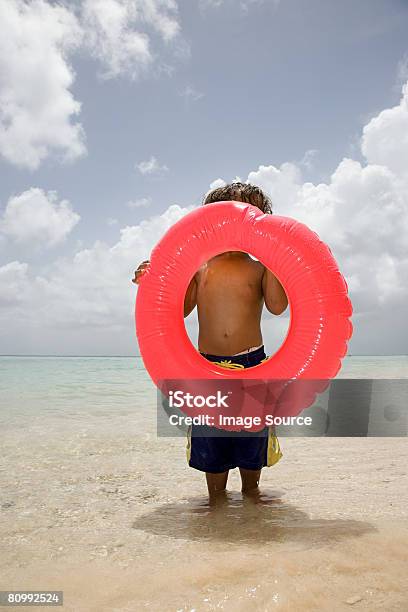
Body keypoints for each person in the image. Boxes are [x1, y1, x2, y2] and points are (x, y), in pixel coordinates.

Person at [133, 183, 288, 498]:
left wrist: (274, 258)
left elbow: (277, 305)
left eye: (251, 214)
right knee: (212, 451)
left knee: (250, 446)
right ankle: (215, 513)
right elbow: (181, 309)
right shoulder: (199, 266)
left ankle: (251, 508)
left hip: (252, 364)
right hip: (207, 366)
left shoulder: (259, 267)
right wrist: (152, 278)